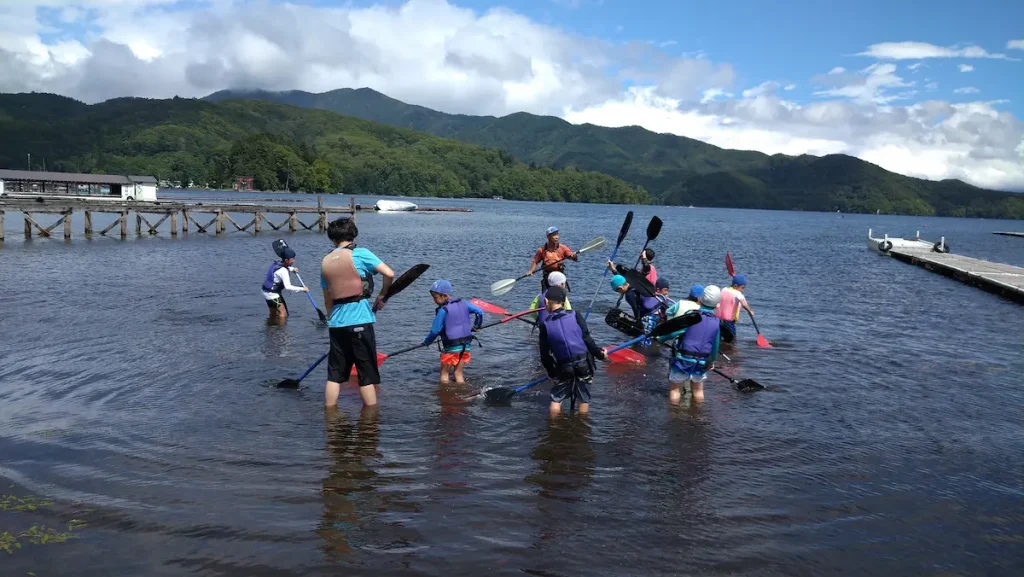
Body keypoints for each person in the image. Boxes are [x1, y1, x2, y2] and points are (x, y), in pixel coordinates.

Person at [320, 217, 395, 409]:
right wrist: (382, 295)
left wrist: (331, 318)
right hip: (360, 320)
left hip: (336, 324)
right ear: (353, 235)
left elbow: (327, 298)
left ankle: (330, 415)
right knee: (365, 374)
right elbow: (389, 273)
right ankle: (370, 419)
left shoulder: (326, 261)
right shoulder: (360, 253)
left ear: (332, 239)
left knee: (335, 375)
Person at [537, 286, 607, 416]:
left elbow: (545, 354)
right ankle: (582, 428)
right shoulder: (576, 315)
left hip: (564, 367)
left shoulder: (545, 325)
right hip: (584, 364)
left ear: (546, 301)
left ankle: (553, 428)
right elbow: (587, 339)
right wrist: (600, 354)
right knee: (583, 399)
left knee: (556, 399)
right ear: (563, 302)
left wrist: (551, 372)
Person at [661, 285, 722, 404]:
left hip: (682, 360)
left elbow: (677, 331)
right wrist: (711, 361)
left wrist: (661, 338)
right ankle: (698, 416)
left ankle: (674, 416)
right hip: (702, 362)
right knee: (698, 391)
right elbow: (715, 346)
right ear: (716, 305)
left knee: (675, 391)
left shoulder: (691, 316)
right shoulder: (716, 322)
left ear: (700, 300)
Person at [423, 280, 484, 384]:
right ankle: (463, 393)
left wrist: (427, 342)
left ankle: (446, 397)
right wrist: (476, 326)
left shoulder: (443, 310)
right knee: (458, 374)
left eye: (435, 297)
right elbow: (480, 312)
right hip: (466, 346)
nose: (434, 300)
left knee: (444, 374)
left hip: (451, 347)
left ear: (444, 295)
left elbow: (435, 331)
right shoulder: (464, 304)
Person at [261, 247, 310, 320]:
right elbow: (288, 287)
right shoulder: (283, 271)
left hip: (265, 291)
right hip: (272, 294)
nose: (294, 260)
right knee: (283, 313)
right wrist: (302, 289)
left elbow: (285, 267)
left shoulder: (277, 264)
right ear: (286, 260)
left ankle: (271, 327)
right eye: (292, 259)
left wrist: (292, 269)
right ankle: (282, 330)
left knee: (273, 313)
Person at [526, 226, 578, 291]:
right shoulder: (542, 250)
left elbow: (575, 259)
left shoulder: (563, 248)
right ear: (548, 237)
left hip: (559, 276)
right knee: (546, 297)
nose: (556, 237)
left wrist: (573, 256)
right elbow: (535, 261)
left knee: (559, 298)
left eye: (557, 234)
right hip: (547, 277)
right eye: (554, 235)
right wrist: (531, 271)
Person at [715, 274, 754, 344]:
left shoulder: (724, 289)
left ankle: (719, 348)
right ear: (736, 286)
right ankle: (731, 351)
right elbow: (744, 304)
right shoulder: (738, 293)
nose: (742, 290)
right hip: (728, 322)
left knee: (719, 337)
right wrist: (750, 311)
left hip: (718, 319)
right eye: (742, 288)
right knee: (732, 338)